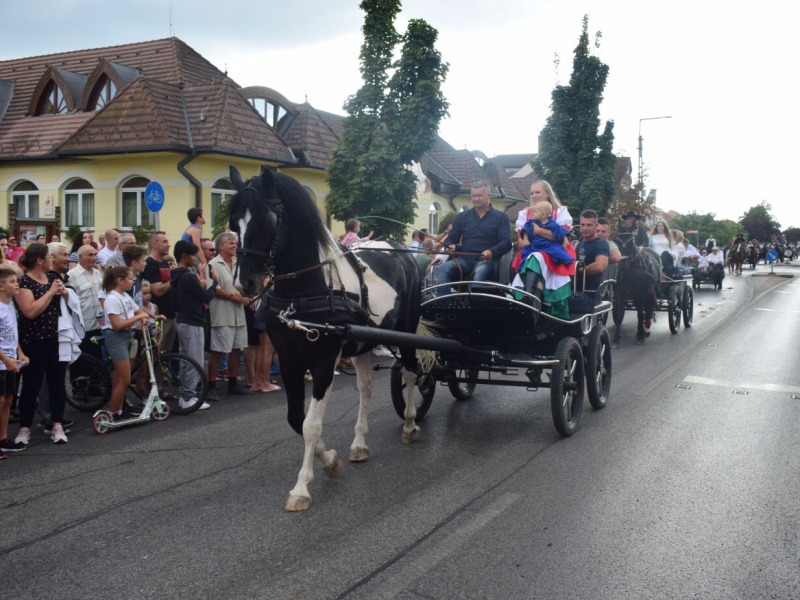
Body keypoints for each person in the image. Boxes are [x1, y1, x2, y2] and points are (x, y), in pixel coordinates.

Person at [13, 244, 70, 444]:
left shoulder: (53, 278)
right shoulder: (23, 282)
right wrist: (50, 292)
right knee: (31, 385)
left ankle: (57, 425)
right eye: (49, 257)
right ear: (39, 260)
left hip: (55, 338)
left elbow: (66, 302)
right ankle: (24, 428)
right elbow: (30, 311)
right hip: (32, 341)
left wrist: (63, 292)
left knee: (57, 384)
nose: (52, 260)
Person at [435, 181, 512, 296]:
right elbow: (451, 239)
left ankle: (473, 308)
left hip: (486, 261)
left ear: (489, 196)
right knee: (443, 268)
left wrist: (491, 252)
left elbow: (506, 242)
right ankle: (443, 304)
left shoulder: (501, 217)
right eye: (473, 196)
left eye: (479, 195)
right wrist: (450, 245)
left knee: (479, 272)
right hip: (463, 260)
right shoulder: (462, 217)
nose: (476, 199)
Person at [170, 240, 215, 409]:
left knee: (187, 359)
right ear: (185, 256)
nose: (194, 259)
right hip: (192, 320)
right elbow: (205, 296)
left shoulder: (176, 274)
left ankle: (186, 395)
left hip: (183, 319)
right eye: (192, 256)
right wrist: (214, 283)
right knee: (194, 360)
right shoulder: (188, 276)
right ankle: (188, 396)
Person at [206, 232, 252, 396]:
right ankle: (210, 386)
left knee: (235, 350)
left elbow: (243, 285)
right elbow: (213, 289)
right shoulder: (213, 264)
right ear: (221, 246)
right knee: (217, 351)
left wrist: (245, 295)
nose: (235, 246)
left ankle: (233, 383)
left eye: (235, 243)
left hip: (238, 314)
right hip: (222, 314)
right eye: (231, 243)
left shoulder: (237, 263)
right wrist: (234, 297)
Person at [101, 265, 149, 422]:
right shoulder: (112, 299)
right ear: (119, 280)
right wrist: (137, 318)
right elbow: (117, 325)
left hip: (128, 336)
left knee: (120, 377)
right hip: (117, 337)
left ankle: (120, 408)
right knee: (125, 379)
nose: (132, 281)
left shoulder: (125, 296)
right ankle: (111, 412)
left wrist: (142, 316)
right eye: (129, 278)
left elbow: (139, 311)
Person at [0, 268, 29, 455]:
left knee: (8, 400)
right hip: (2, 362)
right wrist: (6, 360)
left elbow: (13, 334)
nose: (17, 284)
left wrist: (20, 353)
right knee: (0, 400)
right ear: (1, 286)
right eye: (12, 281)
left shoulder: (11, 305)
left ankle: (3, 438)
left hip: (11, 361)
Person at [67, 245, 104, 358]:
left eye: (95, 255)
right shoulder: (71, 275)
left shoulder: (98, 274)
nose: (94, 258)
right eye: (90, 255)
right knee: (83, 361)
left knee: (98, 362)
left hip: (100, 326)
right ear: (80, 257)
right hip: (83, 328)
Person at [568, 210, 610, 310]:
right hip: (576, 291)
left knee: (556, 302)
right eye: (582, 225)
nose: (585, 228)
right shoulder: (581, 244)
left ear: (596, 226)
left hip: (591, 296)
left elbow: (600, 266)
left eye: (589, 225)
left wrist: (578, 271)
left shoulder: (601, 244)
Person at [142, 232, 177, 352]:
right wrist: (174, 277)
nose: (169, 245)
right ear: (154, 244)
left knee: (166, 355)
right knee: (157, 354)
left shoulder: (164, 262)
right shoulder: (150, 263)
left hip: (170, 315)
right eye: (165, 242)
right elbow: (158, 291)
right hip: (159, 317)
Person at [181, 208, 208, 273]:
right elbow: (198, 248)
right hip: (187, 255)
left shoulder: (195, 229)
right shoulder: (194, 230)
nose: (205, 217)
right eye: (204, 215)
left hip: (189, 254)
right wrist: (204, 262)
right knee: (202, 269)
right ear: (199, 218)